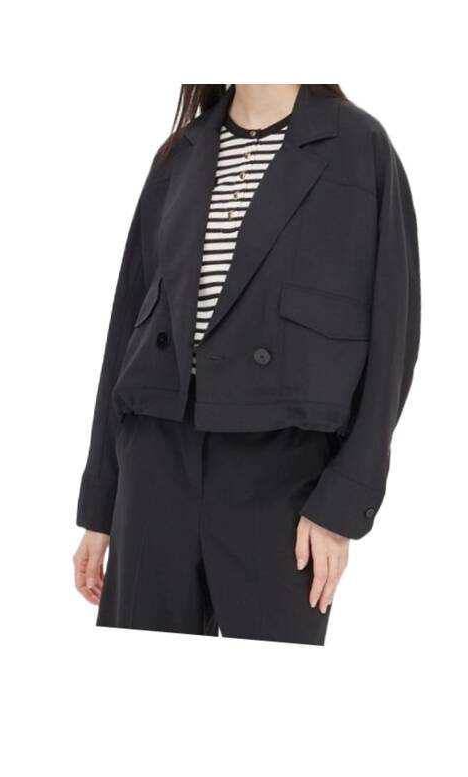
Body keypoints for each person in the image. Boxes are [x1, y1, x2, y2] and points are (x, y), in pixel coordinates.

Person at [72, 84, 420, 645]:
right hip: (156, 462)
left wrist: (343, 501)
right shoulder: (180, 153)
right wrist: (101, 505)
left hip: (284, 474)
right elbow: (124, 332)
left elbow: (393, 338)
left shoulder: (358, 145)